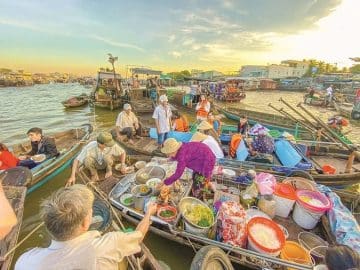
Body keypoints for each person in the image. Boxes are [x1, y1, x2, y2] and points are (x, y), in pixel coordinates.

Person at [15, 184, 157, 270]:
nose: (91, 211)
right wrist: (149, 213)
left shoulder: (24, 261)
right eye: (90, 212)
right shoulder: (108, 244)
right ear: (84, 223)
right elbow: (139, 235)